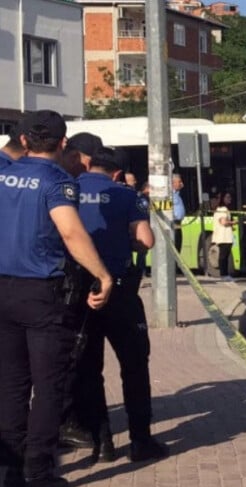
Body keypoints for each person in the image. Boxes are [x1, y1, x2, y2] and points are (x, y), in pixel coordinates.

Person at [0, 110, 113, 487]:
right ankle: (38, 471)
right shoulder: (57, 181)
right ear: (64, 143)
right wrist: (103, 275)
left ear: (25, 140)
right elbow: (70, 231)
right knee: (48, 386)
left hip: (2, 292)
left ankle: (13, 466)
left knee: (12, 384)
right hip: (41, 294)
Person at [70, 145, 168, 464]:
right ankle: (140, 441)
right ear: (116, 173)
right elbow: (146, 240)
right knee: (134, 365)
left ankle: (103, 443)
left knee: (89, 368)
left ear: (89, 166)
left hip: (81, 290)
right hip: (120, 289)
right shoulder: (126, 195)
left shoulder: (69, 189)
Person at [213, 191, 235, 281]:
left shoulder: (224, 209)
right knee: (223, 256)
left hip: (225, 236)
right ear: (223, 199)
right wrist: (233, 222)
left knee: (225, 256)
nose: (230, 199)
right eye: (228, 197)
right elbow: (223, 222)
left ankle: (225, 274)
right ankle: (224, 274)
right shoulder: (222, 209)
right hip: (223, 237)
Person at [171, 172, 186, 252]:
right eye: (179, 182)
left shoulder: (177, 195)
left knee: (178, 247)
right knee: (175, 248)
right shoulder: (170, 195)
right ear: (173, 182)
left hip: (178, 224)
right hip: (173, 224)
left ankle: (176, 264)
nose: (181, 183)